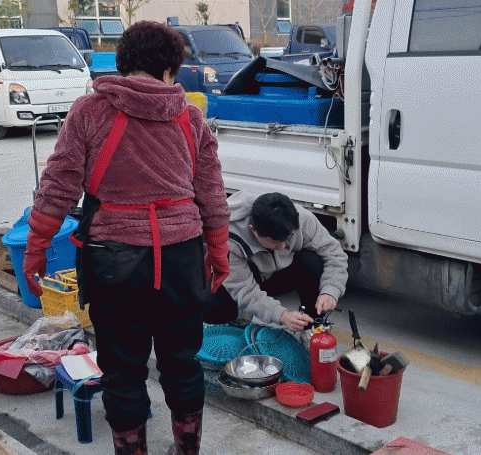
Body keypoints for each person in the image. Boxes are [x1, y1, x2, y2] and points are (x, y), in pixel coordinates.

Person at [21, 21, 230, 455]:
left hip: (114, 262)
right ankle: (187, 449)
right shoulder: (190, 117)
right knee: (182, 363)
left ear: (123, 64)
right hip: (180, 259)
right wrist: (218, 251)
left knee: (122, 370)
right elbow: (212, 193)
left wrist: (37, 247)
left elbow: (58, 185)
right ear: (169, 69)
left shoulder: (89, 111)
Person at [223, 190, 348, 333]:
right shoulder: (228, 236)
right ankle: (238, 312)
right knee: (215, 305)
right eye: (275, 242)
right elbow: (243, 290)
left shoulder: (302, 218)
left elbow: (336, 255)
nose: (282, 246)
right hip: (251, 277)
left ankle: (312, 325)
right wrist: (281, 315)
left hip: (281, 274)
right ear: (253, 230)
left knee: (313, 260)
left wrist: (330, 291)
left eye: (287, 238)